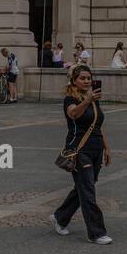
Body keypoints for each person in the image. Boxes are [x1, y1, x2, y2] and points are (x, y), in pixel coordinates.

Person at [51, 63, 112, 244]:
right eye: (82, 78)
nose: (86, 81)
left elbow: (98, 126)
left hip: (96, 150)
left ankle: (60, 217)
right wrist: (87, 101)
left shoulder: (94, 99)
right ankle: (96, 233)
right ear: (74, 81)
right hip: (79, 150)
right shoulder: (70, 99)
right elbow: (74, 115)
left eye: (89, 78)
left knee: (83, 187)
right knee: (88, 192)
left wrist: (106, 147)